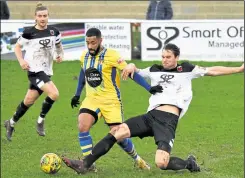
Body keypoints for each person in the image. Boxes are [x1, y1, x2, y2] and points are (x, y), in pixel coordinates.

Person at [62, 43, 244, 174]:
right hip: (150, 117)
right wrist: (131, 65)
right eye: (163, 56)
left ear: (176, 58)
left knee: (161, 163)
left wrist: (238, 69)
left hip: (167, 121)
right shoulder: (155, 69)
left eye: (168, 57)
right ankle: (84, 164)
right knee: (117, 132)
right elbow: (136, 72)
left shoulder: (187, 69)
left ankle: (189, 164)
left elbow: (213, 70)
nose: (164, 60)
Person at [68, 27, 163, 171]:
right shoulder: (84, 56)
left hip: (111, 102)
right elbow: (83, 73)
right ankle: (89, 164)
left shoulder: (112, 55)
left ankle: (138, 159)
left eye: (93, 43)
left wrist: (149, 88)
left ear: (100, 40)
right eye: (87, 43)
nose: (90, 46)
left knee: (119, 136)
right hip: (92, 99)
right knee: (82, 126)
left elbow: (131, 72)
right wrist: (77, 94)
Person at [4, 3, 64, 141]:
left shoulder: (54, 32)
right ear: (35, 17)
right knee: (54, 93)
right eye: (40, 16)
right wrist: (21, 61)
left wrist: (60, 56)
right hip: (35, 71)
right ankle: (40, 121)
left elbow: (59, 47)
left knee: (28, 101)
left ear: (48, 17)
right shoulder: (29, 33)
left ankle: (11, 123)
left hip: (46, 70)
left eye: (45, 15)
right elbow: (17, 47)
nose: (42, 18)